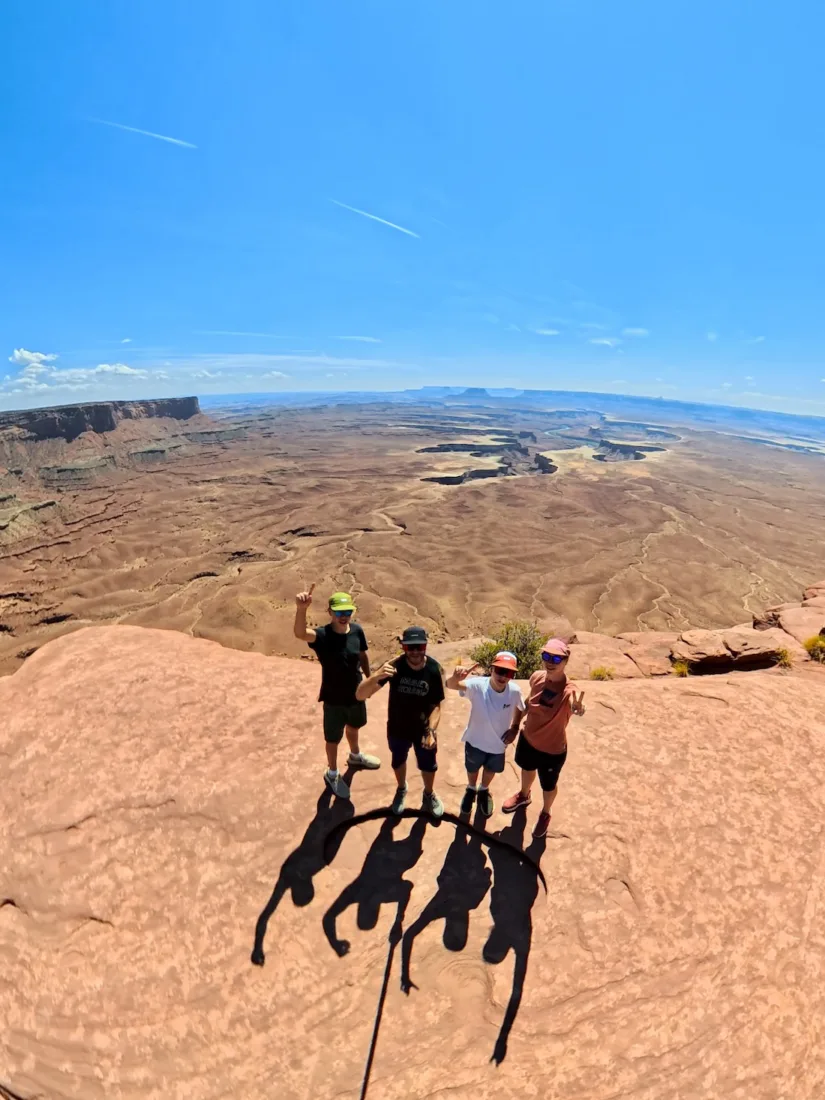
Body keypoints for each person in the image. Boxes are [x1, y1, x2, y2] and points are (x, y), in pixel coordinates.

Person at [294, 585, 380, 800]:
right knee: (333, 738)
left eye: (348, 612)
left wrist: (369, 681)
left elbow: (362, 655)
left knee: (354, 727)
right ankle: (332, 773)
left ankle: (355, 756)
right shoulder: (323, 635)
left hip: (356, 693)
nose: (344, 616)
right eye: (340, 612)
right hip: (333, 697)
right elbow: (300, 633)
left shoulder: (357, 630)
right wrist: (301, 609)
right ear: (330, 612)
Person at [356, 625, 446, 818]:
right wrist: (377, 676)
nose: (414, 652)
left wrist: (431, 731)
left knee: (429, 765)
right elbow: (360, 695)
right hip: (397, 728)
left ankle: (428, 794)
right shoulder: (394, 667)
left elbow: (436, 705)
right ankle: (401, 789)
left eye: (419, 647)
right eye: (409, 647)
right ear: (403, 647)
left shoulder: (433, 669)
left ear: (425, 646)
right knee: (398, 761)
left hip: (423, 730)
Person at [502, 637, 585, 838]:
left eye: (556, 659)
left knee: (548, 785)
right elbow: (527, 703)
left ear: (566, 661)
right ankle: (524, 796)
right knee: (527, 769)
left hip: (552, 750)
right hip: (528, 739)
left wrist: (578, 708)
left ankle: (546, 813)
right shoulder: (537, 677)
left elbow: (577, 706)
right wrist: (514, 726)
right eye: (546, 656)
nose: (550, 661)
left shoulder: (568, 691)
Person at [446, 651, 525, 818]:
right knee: (472, 768)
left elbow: (520, 707)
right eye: (499, 670)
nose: (503, 676)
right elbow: (450, 685)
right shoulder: (477, 685)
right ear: (492, 668)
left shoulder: (514, 691)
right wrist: (456, 678)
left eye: (509, 672)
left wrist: (515, 727)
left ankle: (483, 790)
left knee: (490, 770)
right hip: (475, 741)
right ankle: (471, 789)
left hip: (498, 745)